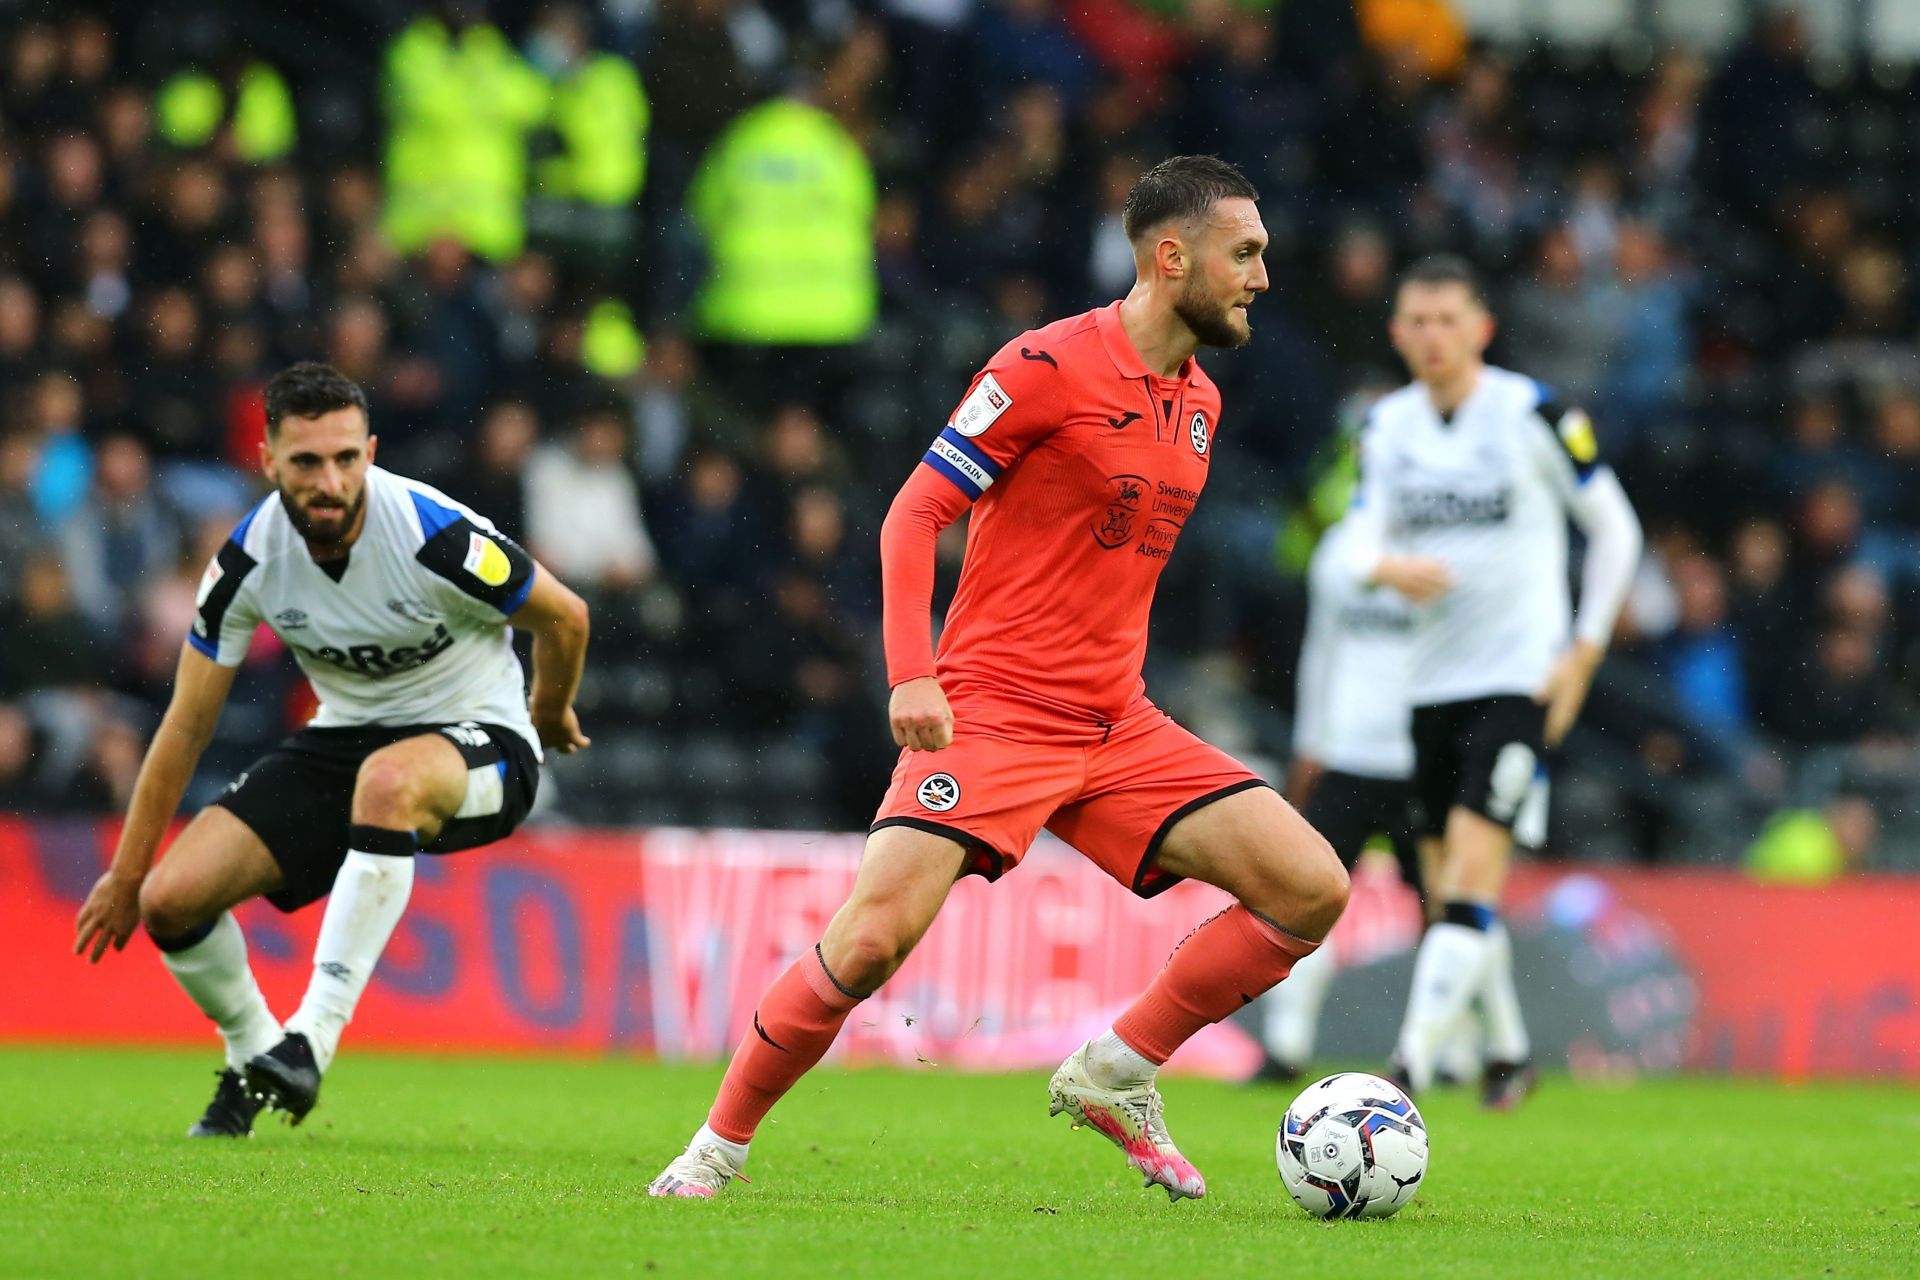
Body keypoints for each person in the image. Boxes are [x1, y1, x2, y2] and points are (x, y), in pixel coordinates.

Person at [647, 156, 1348, 1203]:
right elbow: (911, 514)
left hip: (1118, 723)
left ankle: (1118, 1069)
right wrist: (910, 673)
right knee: (872, 939)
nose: (1261, 274)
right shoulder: (1042, 366)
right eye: (1243, 252)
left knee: (1312, 888)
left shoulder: (1199, 401)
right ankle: (717, 1147)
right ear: (1171, 256)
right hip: (994, 713)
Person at [71, 362, 591, 1137]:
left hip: (483, 743)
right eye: (308, 461)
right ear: (268, 460)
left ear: (371, 453)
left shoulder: (430, 531)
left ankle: (310, 1038)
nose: (330, 480)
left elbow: (567, 615)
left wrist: (547, 710)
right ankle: (255, 1060)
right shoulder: (245, 565)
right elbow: (184, 725)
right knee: (170, 903)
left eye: (347, 458)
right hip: (347, 742)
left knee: (387, 782)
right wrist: (127, 869)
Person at [1345, 256, 1641, 1108]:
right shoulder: (1387, 427)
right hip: (1428, 686)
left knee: (1472, 874)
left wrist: (1581, 652)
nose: (1433, 335)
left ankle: (1404, 1069)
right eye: (1417, 321)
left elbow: (1616, 532)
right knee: (1448, 893)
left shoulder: (1532, 414)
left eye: (1449, 319)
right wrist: (1383, 567)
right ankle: (1508, 1055)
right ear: (1397, 333)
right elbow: (1360, 534)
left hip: (1518, 680)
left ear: (1481, 328)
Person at [1258, 512, 1424, 1080]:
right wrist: (1311, 743)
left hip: (1424, 758)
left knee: (1450, 909)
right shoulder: (1342, 547)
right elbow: (1322, 651)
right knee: (1302, 894)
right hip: (1348, 756)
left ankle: (1443, 1055)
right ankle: (1286, 1047)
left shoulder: (1453, 538)